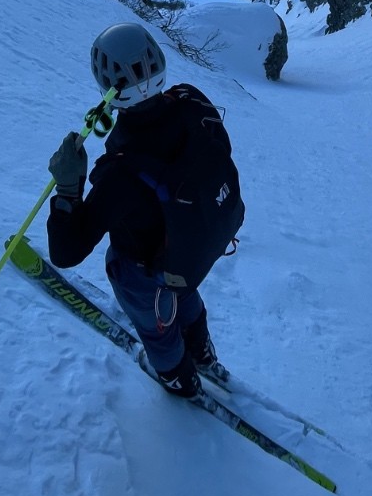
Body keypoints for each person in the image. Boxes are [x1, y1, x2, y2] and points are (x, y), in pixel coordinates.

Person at [46, 22, 237, 399]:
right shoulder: (194, 104)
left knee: (156, 328)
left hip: (144, 269)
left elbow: (66, 253)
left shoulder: (120, 173)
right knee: (183, 292)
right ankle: (200, 351)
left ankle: (178, 378)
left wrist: (69, 186)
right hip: (194, 249)